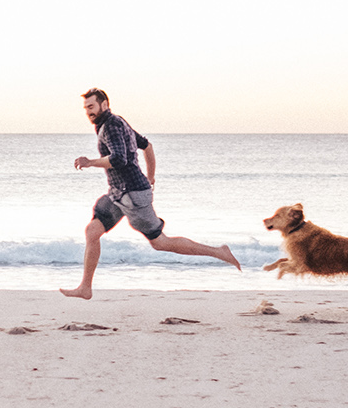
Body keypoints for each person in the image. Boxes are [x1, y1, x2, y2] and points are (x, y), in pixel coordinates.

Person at [60, 88, 240, 299]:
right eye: (86, 108)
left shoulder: (111, 126)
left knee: (160, 242)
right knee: (92, 231)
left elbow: (119, 159)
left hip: (132, 196)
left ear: (104, 105)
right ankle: (85, 288)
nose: (88, 112)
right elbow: (147, 146)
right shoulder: (116, 123)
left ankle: (219, 252)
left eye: (91, 106)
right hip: (119, 194)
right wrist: (151, 177)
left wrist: (90, 162)